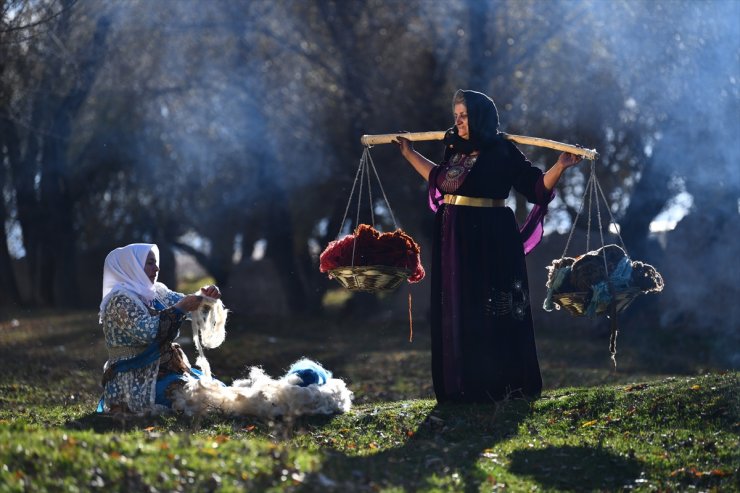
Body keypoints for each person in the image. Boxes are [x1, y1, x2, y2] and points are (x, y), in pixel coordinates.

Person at [396, 89, 582, 402]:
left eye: (464, 115)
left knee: (494, 306)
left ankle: (499, 384)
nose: (458, 121)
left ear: (480, 116)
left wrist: (560, 166)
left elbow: (535, 188)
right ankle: (461, 384)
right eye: (455, 115)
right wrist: (409, 153)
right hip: (454, 235)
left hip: (492, 235)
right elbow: (440, 179)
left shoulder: (503, 150)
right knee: (457, 305)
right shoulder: (455, 149)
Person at [97, 243, 222, 414]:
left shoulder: (156, 292)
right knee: (189, 395)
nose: (156, 268)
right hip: (134, 379)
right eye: (150, 263)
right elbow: (149, 332)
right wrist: (181, 308)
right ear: (132, 265)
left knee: (213, 388)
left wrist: (205, 298)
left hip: (162, 371)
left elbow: (189, 306)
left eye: (156, 263)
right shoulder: (119, 301)